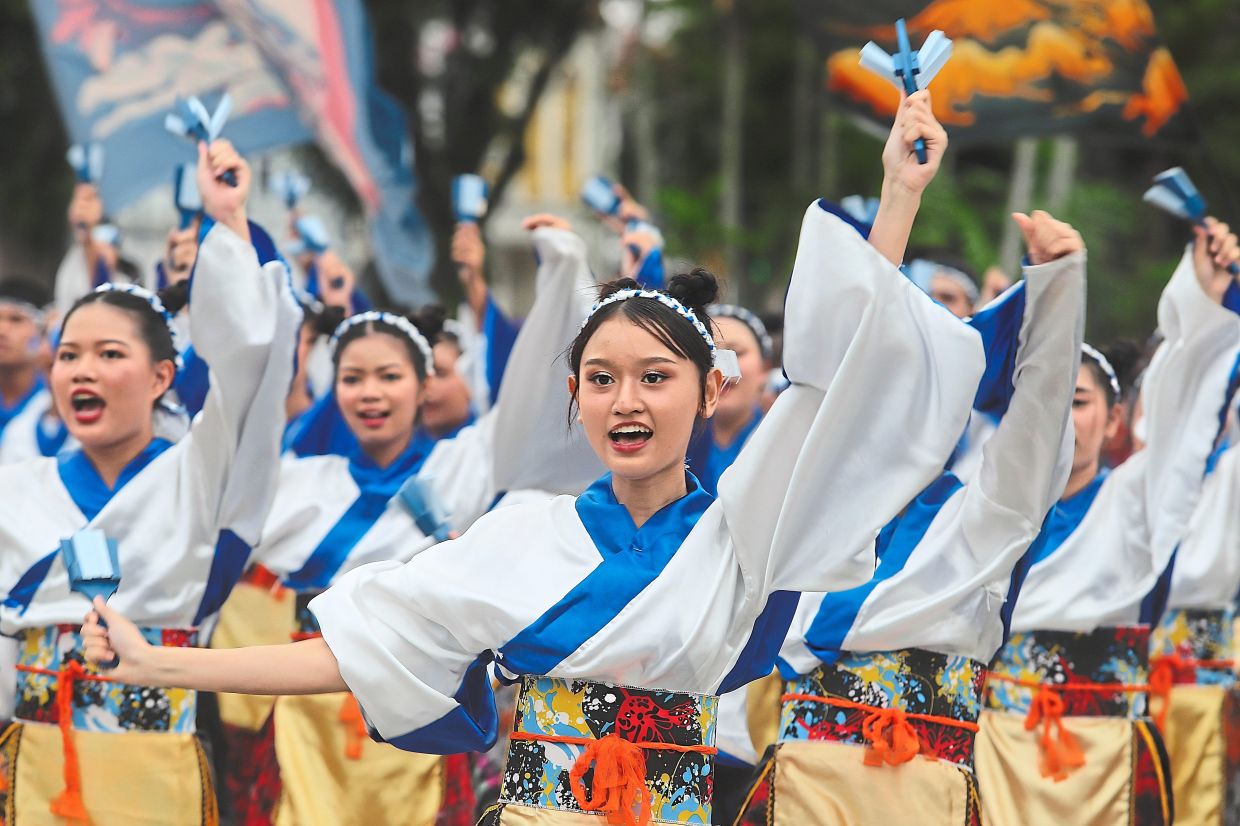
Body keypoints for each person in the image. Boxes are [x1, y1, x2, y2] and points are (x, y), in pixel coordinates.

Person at [80, 90, 986, 826]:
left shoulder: (745, 531)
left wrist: (899, 199)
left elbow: (845, 383)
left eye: (654, 377)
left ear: (710, 394)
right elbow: (350, 649)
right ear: (575, 399)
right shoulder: (519, 536)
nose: (625, 400)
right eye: (600, 378)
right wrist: (160, 665)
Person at [215, 214, 600, 826]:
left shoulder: (462, 466)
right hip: (306, 706)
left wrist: (561, 274)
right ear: (331, 389)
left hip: (419, 695)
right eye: (352, 378)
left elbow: (539, 395)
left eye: (389, 376)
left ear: (425, 386)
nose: (370, 393)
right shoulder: (299, 484)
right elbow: (234, 419)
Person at [737, 208, 1087, 825]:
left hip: (922, 796)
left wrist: (1057, 292)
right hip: (800, 787)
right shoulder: (809, 513)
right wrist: (896, 193)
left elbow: (1040, 416)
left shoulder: (981, 515)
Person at [0, 139, 301, 825]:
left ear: (163, 377)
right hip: (37, 774)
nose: (83, 371)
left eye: (111, 355)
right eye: (69, 355)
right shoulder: (14, 486)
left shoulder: (200, 476)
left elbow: (249, 376)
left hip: (155, 776)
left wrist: (227, 226)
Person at [975, 218, 1240, 826]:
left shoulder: (1133, 501)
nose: (1063, 418)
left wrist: (1202, 300)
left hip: (1102, 756)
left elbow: (1180, 406)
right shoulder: (985, 508)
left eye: (1080, 401)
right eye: (1050, 401)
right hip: (995, 746)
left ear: (1114, 420)